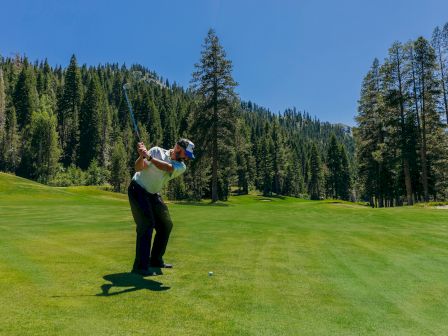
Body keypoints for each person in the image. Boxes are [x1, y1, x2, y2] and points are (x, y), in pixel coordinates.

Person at [128, 138, 195, 276]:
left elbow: (166, 167)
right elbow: (138, 168)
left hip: (153, 194)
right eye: (185, 154)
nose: (186, 158)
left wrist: (149, 157)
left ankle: (156, 260)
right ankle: (140, 266)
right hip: (138, 190)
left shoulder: (181, 166)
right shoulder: (156, 151)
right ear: (178, 148)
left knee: (166, 224)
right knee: (147, 224)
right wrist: (142, 156)